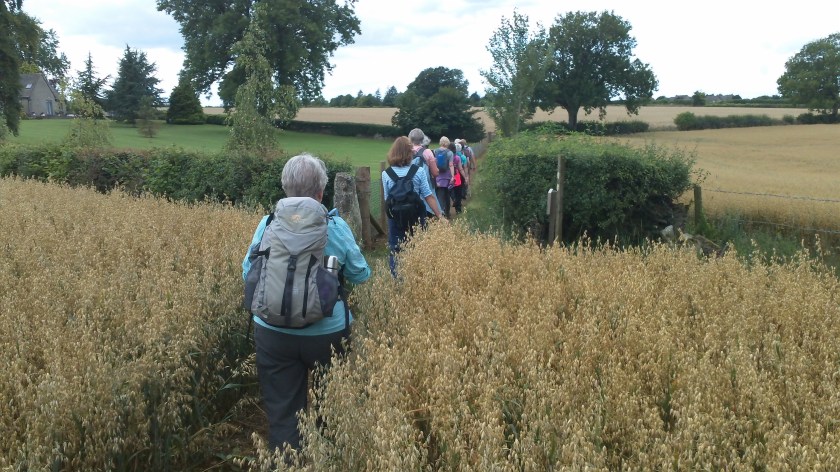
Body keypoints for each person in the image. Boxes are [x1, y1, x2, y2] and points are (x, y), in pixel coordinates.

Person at [242, 153, 371, 454]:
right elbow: (360, 273)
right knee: (330, 403)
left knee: (284, 414)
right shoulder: (333, 226)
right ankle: (328, 455)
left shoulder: (268, 223)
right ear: (321, 192)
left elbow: (249, 271)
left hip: (272, 333)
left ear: (286, 188)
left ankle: (287, 460)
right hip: (327, 333)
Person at [382, 136, 443, 275]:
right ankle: (416, 276)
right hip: (416, 216)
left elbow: (387, 199)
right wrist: (439, 215)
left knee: (395, 249)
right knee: (417, 245)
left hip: (396, 218)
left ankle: (397, 280)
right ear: (409, 153)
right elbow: (428, 195)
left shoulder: (386, 174)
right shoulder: (418, 171)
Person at [408, 128, 440, 218]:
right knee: (428, 214)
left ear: (409, 138)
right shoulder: (427, 152)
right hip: (426, 188)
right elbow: (435, 173)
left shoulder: (405, 151)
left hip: (408, 188)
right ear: (422, 140)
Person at [434, 136, 456, 218]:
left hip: (438, 177)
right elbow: (451, 165)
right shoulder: (450, 153)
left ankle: (440, 213)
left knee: (440, 195)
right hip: (447, 177)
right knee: (447, 195)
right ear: (447, 143)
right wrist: (452, 176)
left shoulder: (435, 151)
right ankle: (447, 213)